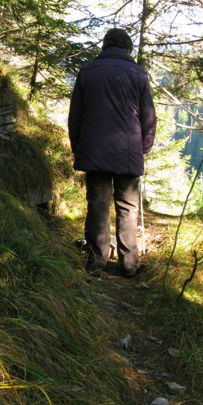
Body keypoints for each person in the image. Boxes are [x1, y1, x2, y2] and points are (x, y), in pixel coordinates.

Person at [68, 28, 156, 277]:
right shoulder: (139, 74)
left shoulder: (87, 71)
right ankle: (129, 264)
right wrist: (144, 147)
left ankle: (97, 261)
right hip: (129, 151)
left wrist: (78, 147)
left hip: (94, 149)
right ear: (127, 49)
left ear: (105, 46)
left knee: (97, 204)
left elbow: (75, 116)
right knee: (128, 207)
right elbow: (149, 116)